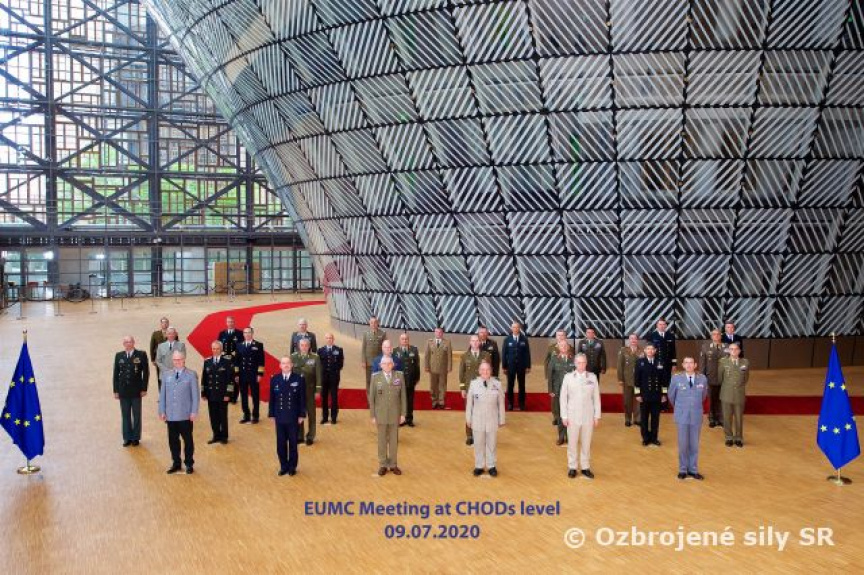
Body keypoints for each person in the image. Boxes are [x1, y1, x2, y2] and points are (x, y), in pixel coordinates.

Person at [560, 354, 601, 479]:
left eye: (583, 362)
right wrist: (564, 416)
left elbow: (596, 398)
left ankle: (585, 467)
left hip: (588, 416)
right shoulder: (568, 377)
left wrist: (597, 416)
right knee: (572, 443)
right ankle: (572, 467)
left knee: (586, 443)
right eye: (579, 363)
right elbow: (563, 398)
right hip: (572, 416)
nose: (581, 365)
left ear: (586, 363)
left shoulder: (592, 377)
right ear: (575, 363)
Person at [158, 351, 199, 474]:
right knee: (173, 441)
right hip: (170, 415)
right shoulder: (166, 375)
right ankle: (176, 463)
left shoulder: (191, 375)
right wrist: (162, 410)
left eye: (179, 359)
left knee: (188, 441)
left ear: (184, 360)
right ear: (172, 361)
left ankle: (189, 463)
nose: (177, 362)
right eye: (175, 360)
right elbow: (162, 395)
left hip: (185, 415)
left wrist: (194, 411)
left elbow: (195, 396)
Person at [668, 357, 708, 480]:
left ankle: (693, 469)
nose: (689, 365)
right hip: (682, 416)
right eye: (686, 363)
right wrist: (681, 407)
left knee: (694, 445)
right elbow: (671, 396)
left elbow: (703, 396)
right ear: (683, 365)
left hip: (696, 415)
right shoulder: (676, 378)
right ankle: (682, 469)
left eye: (691, 363)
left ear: (695, 365)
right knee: (683, 444)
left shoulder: (702, 378)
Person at [466, 361, 505, 477]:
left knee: (491, 444)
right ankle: (479, 465)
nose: (485, 372)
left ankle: (491, 465)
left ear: (491, 371)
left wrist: (502, 419)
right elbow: (469, 404)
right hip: (477, 420)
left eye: (487, 370)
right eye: (482, 370)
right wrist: (468, 419)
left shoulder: (497, 384)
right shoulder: (473, 384)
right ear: (479, 371)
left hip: (492, 420)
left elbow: (501, 403)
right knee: (478, 444)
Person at [368, 356, 407, 476]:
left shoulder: (399, 376)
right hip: (381, 414)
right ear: (380, 365)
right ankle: (383, 464)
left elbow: (403, 396)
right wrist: (373, 415)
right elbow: (372, 398)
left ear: (393, 365)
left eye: (389, 363)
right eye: (384, 364)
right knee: (382, 440)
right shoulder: (375, 377)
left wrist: (403, 414)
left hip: (395, 414)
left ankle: (393, 464)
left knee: (394, 440)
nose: (387, 366)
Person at [269, 356, 306, 476]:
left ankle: (292, 467)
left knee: (293, 443)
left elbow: (302, 398)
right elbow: (272, 399)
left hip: (293, 416)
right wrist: (271, 414)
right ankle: (283, 466)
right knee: (281, 443)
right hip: (279, 416)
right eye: (283, 363)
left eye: (288, 363)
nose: (286, 365)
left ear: (292, 365)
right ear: (280, 365)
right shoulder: (275, 379)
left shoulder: (299, 379)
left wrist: (301, 414)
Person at [113, 335, 149, 447]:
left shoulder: (141, 354)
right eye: (126, 342)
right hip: (123, 391)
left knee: (137, 415)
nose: (128, 344)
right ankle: (127, 437)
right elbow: (115, 374)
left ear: (134, 342)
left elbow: (146, 373)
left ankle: (135, 438)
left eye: (130, 341)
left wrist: (144, 388)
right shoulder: (119, 356)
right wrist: (116, 390)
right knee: (125, 415)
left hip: (136, 390)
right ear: (123, 344)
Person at [459, 335, 491, 445]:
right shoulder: (464, 356)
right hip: (470, 389)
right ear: (470, 342)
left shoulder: (486, 355)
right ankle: (469, 436)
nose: (475, 343)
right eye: (473, 341)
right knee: (470, 413)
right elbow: (461, 374)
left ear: (480, 342)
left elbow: (489, 372)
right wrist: (463, 388)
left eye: (477, 341)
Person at [201, 340, 234, 444]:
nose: (215, 351)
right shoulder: (207, 361)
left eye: (217, 349)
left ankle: (224, 437)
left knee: (222, 416)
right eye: (213, 349)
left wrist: (228, 394)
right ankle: (216, 435)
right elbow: (204, 379)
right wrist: (203, 393)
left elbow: (230, 380)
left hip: (222, 394)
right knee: (213, 416)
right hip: (211, 394)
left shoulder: (227, 362)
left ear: (221, 349)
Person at [717, 343, 749, 447]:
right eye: (731, 349)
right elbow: (720, 378)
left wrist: (738, 386)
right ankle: (729, 437)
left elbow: (746, 378)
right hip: (726, 393)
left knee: (739, 418)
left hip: (739, 394)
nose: (734, 351)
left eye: (736, 349)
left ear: (739, 351)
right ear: (728, 351)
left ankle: (739, 438)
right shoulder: (723, 362)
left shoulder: (745, 362)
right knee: (727, 417)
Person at [635, 344, 666, 447]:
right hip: (644, 395)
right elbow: (636, 380)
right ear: (645, 350)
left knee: (655, 418)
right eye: (648, 349)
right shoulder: (640, 362)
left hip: (656, 395)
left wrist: (664, 394)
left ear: (655, 351)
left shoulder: (660, 362)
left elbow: (664, 380)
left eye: (652, 349)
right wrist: (637, 394)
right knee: (644, 418)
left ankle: (654, 438)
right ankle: (645, 438)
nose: (650, 351)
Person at [291, 338, 321, 445]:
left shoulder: (315, 357)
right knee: (298, 412)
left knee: (311, 414)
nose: (304, 347)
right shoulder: (293, 357)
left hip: (310, 390)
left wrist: (318, 390)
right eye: (302, 345)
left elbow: (318, 375)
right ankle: (300, 436)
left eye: (306, 345)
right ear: (299, 346)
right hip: (297, 391)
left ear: (309, 346)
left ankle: (311, 436)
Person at [547, 340, 574, 446]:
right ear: (558, 347)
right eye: (561, 346)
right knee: (560, 415)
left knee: (570, 414)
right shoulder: (554, 359)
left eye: (565, 345)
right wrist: (551, 390)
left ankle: (569, 436)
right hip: (558, 391)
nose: (563, 347)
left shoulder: (573, 359)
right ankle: (561, 437)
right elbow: (550, 375)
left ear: (568, 347)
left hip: (571, 392)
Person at [236, 327, 265, 424]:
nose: (247, 334)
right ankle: (246, 415)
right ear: (243, 334)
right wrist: (236, 374)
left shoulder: (258, 345)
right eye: (245, 333)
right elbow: (236, 361)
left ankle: (255, 415)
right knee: (243, 395)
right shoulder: (239, 345)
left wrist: (260, 374)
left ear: (252, 333)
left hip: (253, 374)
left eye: (249, 332)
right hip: (242, 374)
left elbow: (261, 361)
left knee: (255, 395)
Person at [699, 329, 726, 428]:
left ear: (721, 336)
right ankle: (712, 418)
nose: (716, 336)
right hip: (710, 377)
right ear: (711, 336)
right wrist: (702, 378)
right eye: (714, 334)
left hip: (724, 378)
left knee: (722, 399)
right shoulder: (705, 347)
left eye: (718, 334)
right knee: (711, 399)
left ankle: (721, 419)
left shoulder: (727, 347)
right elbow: (702, 364)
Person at [502, 321, 531, 411]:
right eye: (514, 327)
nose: (515, 329)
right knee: (510, 385)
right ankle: (510, 403)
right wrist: (504, 366)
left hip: (521, 366)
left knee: (522, 386)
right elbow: (504, 354)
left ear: (519, 328)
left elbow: (527, 353)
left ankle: (521, 403)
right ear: (511, 328)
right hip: (510, 366)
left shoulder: (524, 339)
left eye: (517, 327)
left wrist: (528, 366)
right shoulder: (507, 339)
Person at [616, 334, 642, 427]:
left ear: (637, 340)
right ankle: (627, 419)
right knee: (627, 401)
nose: (633, 340)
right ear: (629, 340)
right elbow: (620, 365)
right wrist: (620, 379)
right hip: (627, 380)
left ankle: (637, 419)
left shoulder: (642, 351)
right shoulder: (623, 350)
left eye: (635, 338)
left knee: (638, 400)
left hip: (638, 381)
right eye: (631, 338)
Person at [395, 333, 420, 427]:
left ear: (408, 340)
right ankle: (401, 419)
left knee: (410, 400)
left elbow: (417, 365)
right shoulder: (395, 351)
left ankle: (409, 419)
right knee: (400, 401)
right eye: (402, 339)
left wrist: (417, 378)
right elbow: (393, 367)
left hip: (410, 379)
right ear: (399, 340)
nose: (404, 340)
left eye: (406, 339)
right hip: (399, 380)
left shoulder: (414, 350)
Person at [317, 333, 344, 425]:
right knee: (324, 397)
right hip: (324, 377)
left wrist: (334, 371)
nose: (329, 339)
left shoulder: (339, 350)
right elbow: (318, 364)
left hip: (334, 377)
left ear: (333, 339)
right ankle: (325, 417)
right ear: (325, 339)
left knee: (334, 397)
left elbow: (340, 364)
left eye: (330, 338)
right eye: (327, 338)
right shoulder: (320, 350)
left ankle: (333, 417)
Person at [424, 327, 452, 410]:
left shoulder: (447, 342)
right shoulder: (429, 342)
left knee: (442, 385)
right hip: (432, 368)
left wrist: (449, 367)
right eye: (436, 332)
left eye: (440, 332)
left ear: (442, 333)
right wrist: (426, 366)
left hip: (443, 368)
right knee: (433, 386)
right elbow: (427, 355)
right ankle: (434, 401)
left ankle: (441, 402)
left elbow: (449, 356)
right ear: (434, 332)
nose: (438, 334)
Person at [646, 318, 676, 394]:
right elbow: (648, 350)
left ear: (666, 326)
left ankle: (664, 397)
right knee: (656, 381)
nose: (662, 326)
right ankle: (657, 397)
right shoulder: (652, 335)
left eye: (663, 324)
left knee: (666, 381)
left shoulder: (670, 336)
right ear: (657, 325)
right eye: (660, 324)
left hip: (667, 363)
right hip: (656, 362)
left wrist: (674, 364)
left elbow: (673, 351)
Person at [361, 316, 387, 393]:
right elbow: (363, 348)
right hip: (369, 362)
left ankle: (379, 397)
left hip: (379, 362)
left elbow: (385, 348)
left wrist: (384, 360)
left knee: (379, 381)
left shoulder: (382, 333)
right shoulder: (366, 334)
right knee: (369, 381)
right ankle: (370, 398)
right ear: (369, 323)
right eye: (371, 322)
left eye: (375, 322)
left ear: (377, 323)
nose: (373, 324)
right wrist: (363, 361)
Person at [149, 317, 168, 383]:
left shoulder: (172, 333)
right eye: (163, 322)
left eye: (166, 322)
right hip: (159, 359)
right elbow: (152, 346)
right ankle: (161, 389)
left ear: (168, 324)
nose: (164, 324)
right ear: (161, 324)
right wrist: (152, 359)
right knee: (160, 377)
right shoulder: (155, 334)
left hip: (169, 359)